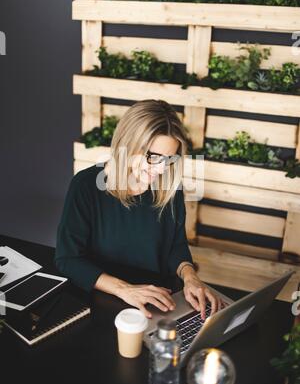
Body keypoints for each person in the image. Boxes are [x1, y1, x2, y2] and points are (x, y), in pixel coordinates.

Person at [54, 99, 223, 319]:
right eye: (152, 157)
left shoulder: (170, 188)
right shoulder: (85, 186)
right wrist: (126, 289)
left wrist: (190, 277)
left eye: (168, 159)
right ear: (127, 145)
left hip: (158, 303)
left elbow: (175, 246)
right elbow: (68, 259)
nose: (161, 169)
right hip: (100, 302)